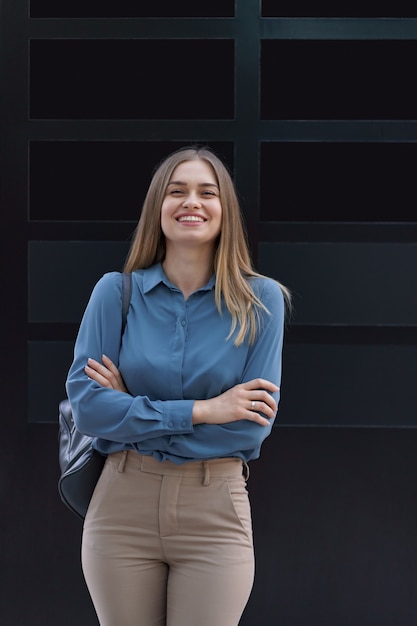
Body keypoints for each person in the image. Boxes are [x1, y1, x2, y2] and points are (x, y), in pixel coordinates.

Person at [66, 145, 291, 626]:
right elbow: (87, 408)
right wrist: (205, 410)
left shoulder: (261, 301)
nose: (192, 201)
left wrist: (129, 409)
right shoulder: (115, 293)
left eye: (207, 192)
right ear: (158, 208)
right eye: (177, 191)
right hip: (121, 508)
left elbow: (249, 430)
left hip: (215, 511)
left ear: (224, 210)